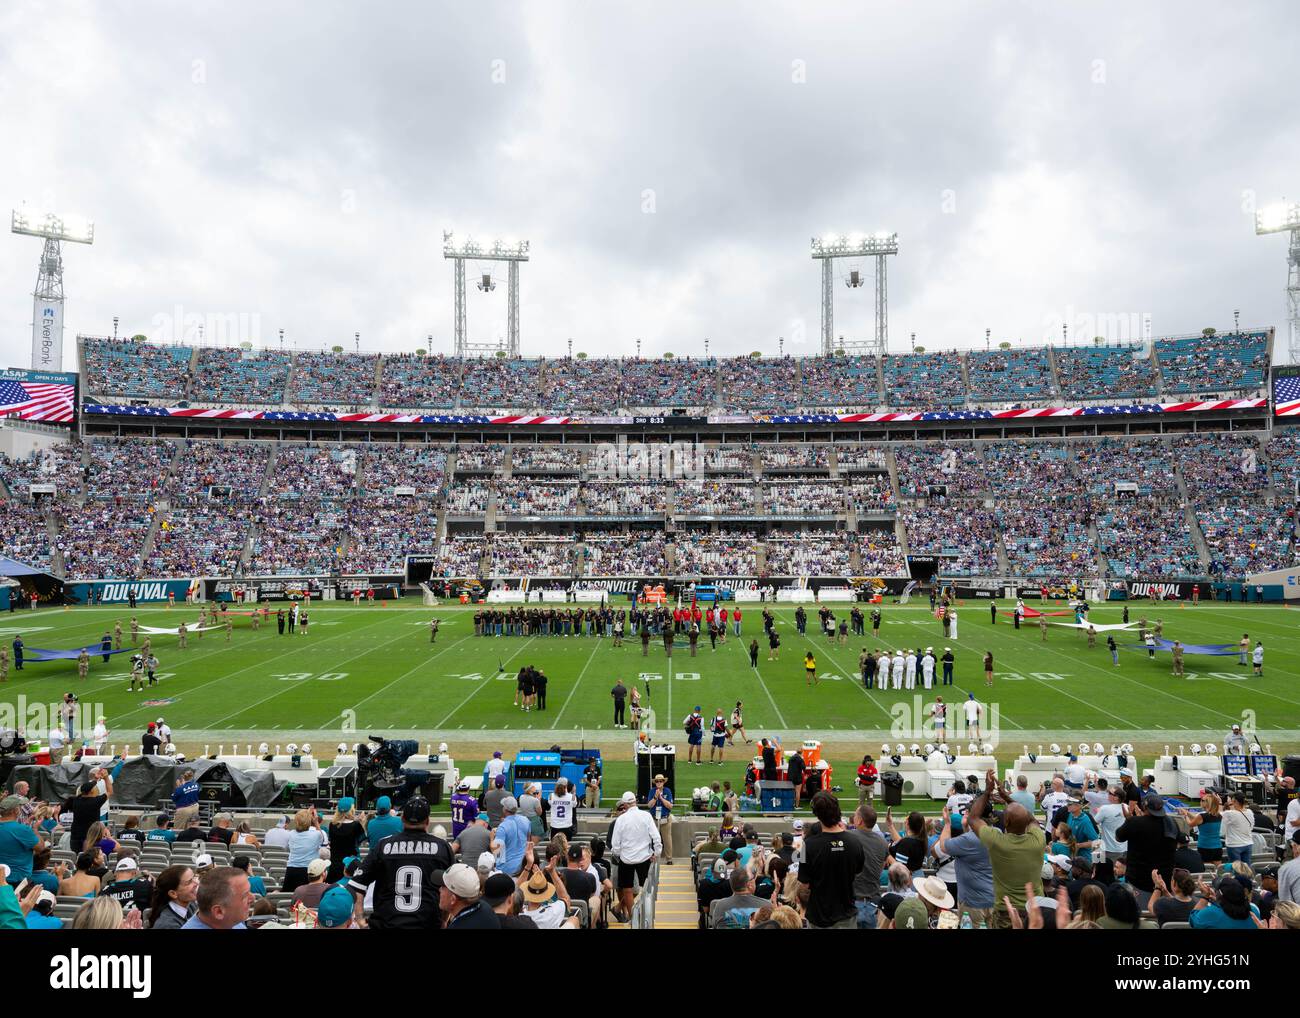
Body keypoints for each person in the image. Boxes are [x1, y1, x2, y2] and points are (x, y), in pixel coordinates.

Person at [345, 796, 453, 929]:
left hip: (387, 923)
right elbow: (455, 887)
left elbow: (356, 885)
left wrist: (361, 920)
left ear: (402, 819)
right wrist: (443, 919)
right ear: (427, 821)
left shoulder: (383, 845)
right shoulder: (443, 847)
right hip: (428, 923)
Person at [965, 768, 1045, 928]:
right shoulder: (1038, 839)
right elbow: (1030, 819)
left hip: (1006, 912)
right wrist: (1007, 797)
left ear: (1006, 823)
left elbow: (973, 818)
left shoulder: (998, 842)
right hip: (1035, 911)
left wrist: (987, 792)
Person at [796, 791, 865, 928]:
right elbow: (857, 872)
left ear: (817, 814)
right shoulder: (854, 841)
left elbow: (804, 885)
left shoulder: (809, 846)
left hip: (820, 917)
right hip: (845, 915)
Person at [609, 791, 661, 921]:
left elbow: (615, 844)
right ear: (635, 802)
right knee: (646, 888)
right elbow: (656, 836)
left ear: (625, 804)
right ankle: (640, 916)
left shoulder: (621, 819)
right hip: (644, 857)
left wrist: (620, 854)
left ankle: (634, 918)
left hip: (627, 859)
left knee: (628, 888)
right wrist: (656, 852)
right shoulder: (646, 816)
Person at [646, 774, 674, 863]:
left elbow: (670, 806)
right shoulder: (652, 791)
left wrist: (661, 798)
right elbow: (649, 805)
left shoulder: (667, 791)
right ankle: (653, 857)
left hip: (665, 819)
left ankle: (669, 859)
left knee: (667, 840)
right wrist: (655, 797)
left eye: (660, 781)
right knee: (653, 839)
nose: (659, 783)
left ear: (663, 782)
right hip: (654, 819)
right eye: (657, 781)